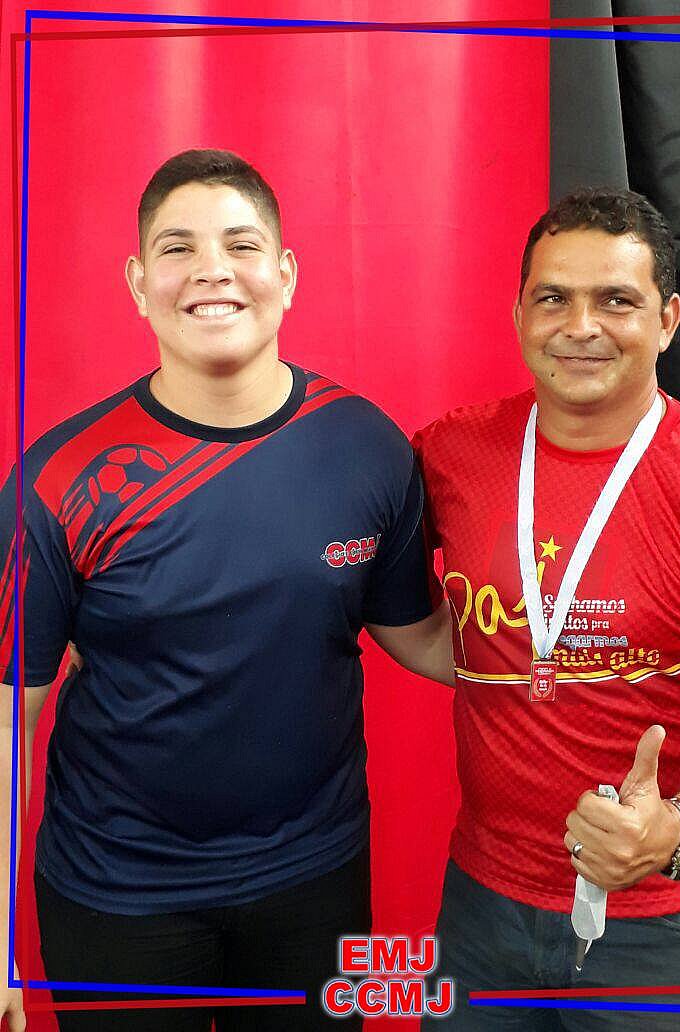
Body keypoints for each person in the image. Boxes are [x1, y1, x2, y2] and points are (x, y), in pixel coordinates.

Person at [0, 149, 453, 1032]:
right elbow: (8, 720)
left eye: (241, 245)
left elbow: (425, 636)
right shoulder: (58, 482)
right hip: (118, 895)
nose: (212, 269)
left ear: (285, 274)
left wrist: (591, 642)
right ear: (139, 284)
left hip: (314, 882)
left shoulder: (366, 447)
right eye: (178, 248)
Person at [413, 188, 680, 1031]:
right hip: (483, 907)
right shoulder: (453, 453)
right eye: (553, 298)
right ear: (520, 315)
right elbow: (355, 579)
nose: (581, 326)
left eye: (616, 300)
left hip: (661, 929)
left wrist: (678, 826)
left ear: (668, 320)